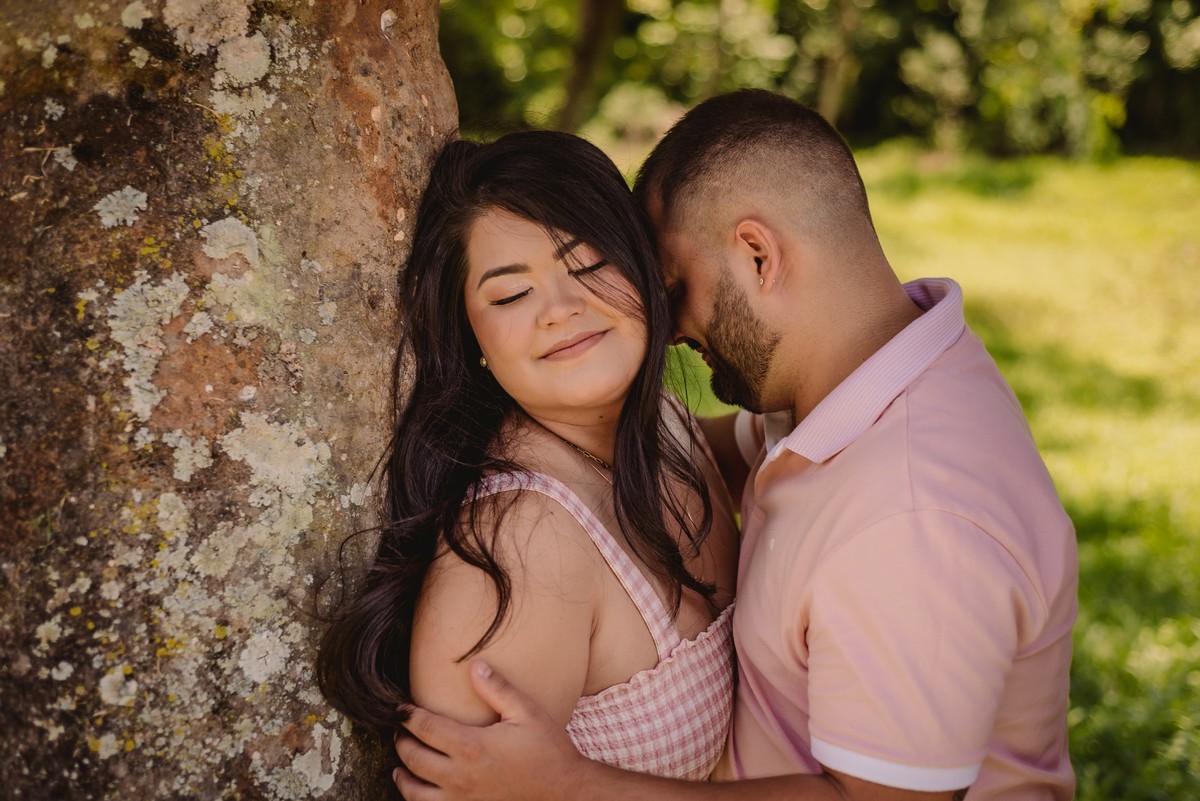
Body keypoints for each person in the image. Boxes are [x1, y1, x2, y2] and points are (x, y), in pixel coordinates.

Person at [392, 90, 1078, 801]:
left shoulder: (909, 520)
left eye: (675, 284)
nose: (674, 322)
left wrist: (571, 784)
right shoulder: (885, 373)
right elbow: (711, 449)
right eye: (509, 297)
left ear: (756, 254)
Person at [315, 130, 739, 782]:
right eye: (511, 294)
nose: (563, 309)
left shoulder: (666, 429)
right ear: (472, 337)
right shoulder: (521, 547)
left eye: (591, 263)